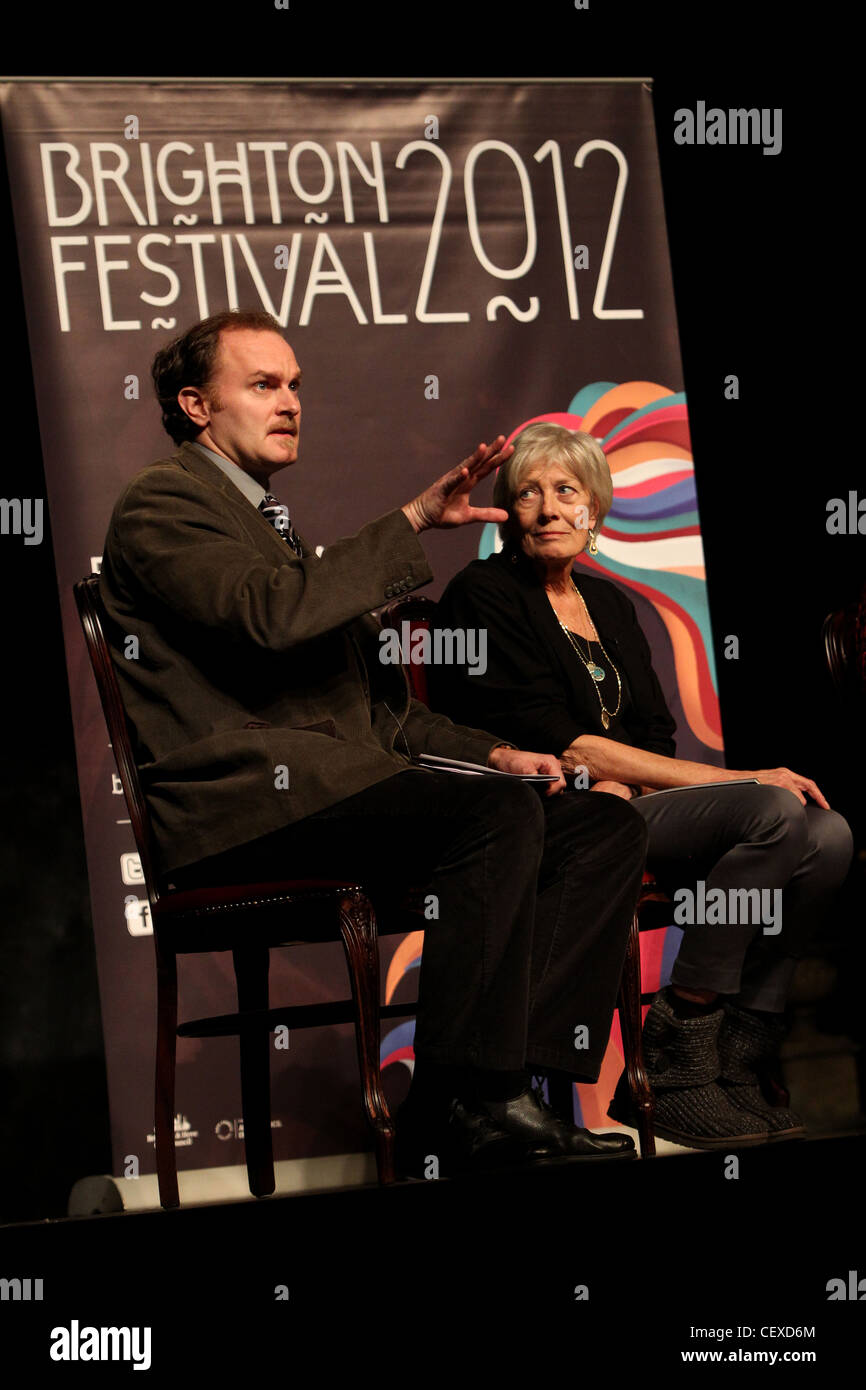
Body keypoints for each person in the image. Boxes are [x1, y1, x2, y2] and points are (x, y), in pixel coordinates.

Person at [98, 311, 648, 1181]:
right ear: (196, 406)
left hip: (339, 785)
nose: (291, 404)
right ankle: (461, 1104)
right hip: (246, 804)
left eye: (297, 386)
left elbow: (386, 715)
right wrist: (415, 519)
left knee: (600, 828)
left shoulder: (276, 530)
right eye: (265, 385)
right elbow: (269, 618)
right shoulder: (162, 506)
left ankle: (512, 1091)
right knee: (493, 823)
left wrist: (501, 753)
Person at [429, 422, 854, 1149]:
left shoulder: (611, 605)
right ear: (507, 511)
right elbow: (558, 736)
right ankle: (675, 1050)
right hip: (555, 813)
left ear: (595, 507)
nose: (548, 509)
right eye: (527, 494)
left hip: (629, 805)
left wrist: (632, 784)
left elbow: (653, 734)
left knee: (831, 835)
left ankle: (738, 1052)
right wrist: (739, 776)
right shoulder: (485, 595)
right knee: (772, 808)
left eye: (566, 491)